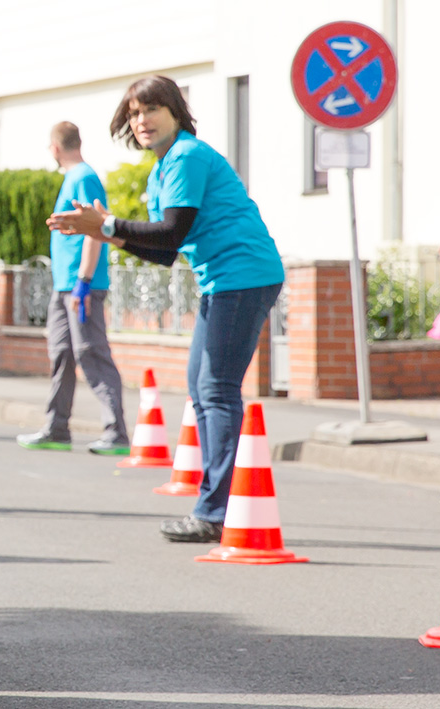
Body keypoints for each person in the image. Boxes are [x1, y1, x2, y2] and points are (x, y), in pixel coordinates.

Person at [47, 75, 284, 543]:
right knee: (204, 388)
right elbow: (164, 252)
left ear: (177, 112)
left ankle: (215, 513)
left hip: (243, 275)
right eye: (134, 113)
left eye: (152, 109)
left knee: (215, 391)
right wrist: (102, 233)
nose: (142, 120)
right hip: (225, 280)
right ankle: (218, 505)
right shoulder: (164, 168)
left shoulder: (188, 156)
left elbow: (171, 232)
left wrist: (107, 223)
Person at [16, 121, 130, 456]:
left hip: (82, 284)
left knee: (90, 352)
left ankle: (116, 432)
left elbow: (96, 229)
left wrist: (83, 281)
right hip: (65, 285)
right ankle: (56, 428)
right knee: (62, 354)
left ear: (54, 147)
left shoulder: (83, 177)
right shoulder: (74, 177)